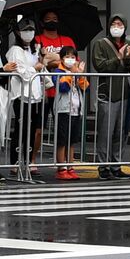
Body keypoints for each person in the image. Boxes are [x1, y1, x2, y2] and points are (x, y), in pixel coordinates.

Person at [88, 13, 130, 180]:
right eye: (114, 24)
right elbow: (100, 65)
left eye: (120, 24)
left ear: (125, 26)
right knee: (105, 132)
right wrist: (119, 57)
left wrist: (129, 59)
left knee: (120, 131)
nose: (117, 27)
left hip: (124, 92)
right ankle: (103, 166)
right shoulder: (100, 44)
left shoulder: (128, 44)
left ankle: (116, 165)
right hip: (107, 93)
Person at [3, 19, 48, 177]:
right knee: (20, 130)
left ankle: (29, 161)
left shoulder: (34, 49)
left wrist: (41, 61)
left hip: (35, 95)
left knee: (32, 129)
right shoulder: (15, 50)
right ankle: (15, 162)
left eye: (31, 29)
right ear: (18, 32)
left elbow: (40, 69)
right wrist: (34, 68)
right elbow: (20, 71)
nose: (29, 32)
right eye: (25, 29)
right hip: (21, 94)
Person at [33, 9, 74, 179]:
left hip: (63, 92)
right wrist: (57, 60)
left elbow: (72, 61)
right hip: (43, 90)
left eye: (55, 18)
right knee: (38, 129)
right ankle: (32, 160)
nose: (52, 21)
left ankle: (64, 165)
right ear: (42, 22)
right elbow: (37, 62)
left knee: (64, 130)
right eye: (48, 19)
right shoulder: (36, 39)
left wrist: (51, 61)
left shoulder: (67, 40)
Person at [49, 46, 88, 182]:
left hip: (76, 110)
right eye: (67, 56)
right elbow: (63, 87)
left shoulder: (76, 71)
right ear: (61, 58)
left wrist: (80, 74)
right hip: (63, 110)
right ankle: (61, 169)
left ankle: (70, 167)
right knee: (62, 140)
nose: (70, 60)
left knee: (71, 141)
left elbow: (84, 86)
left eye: (73, 57)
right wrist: (72, 74)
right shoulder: (58, 71)